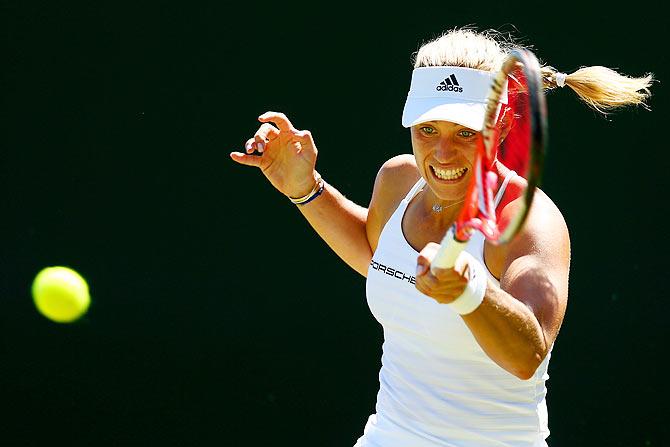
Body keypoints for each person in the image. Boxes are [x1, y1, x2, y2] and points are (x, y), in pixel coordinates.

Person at [230, 27, 653, 447]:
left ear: (502, 126)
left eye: (465, 133)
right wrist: (305, 189)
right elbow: (377, 257)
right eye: (427, 130)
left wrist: (471, 291)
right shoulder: (398, 180)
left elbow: (527, 355)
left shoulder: (531, 222)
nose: (443, 153)